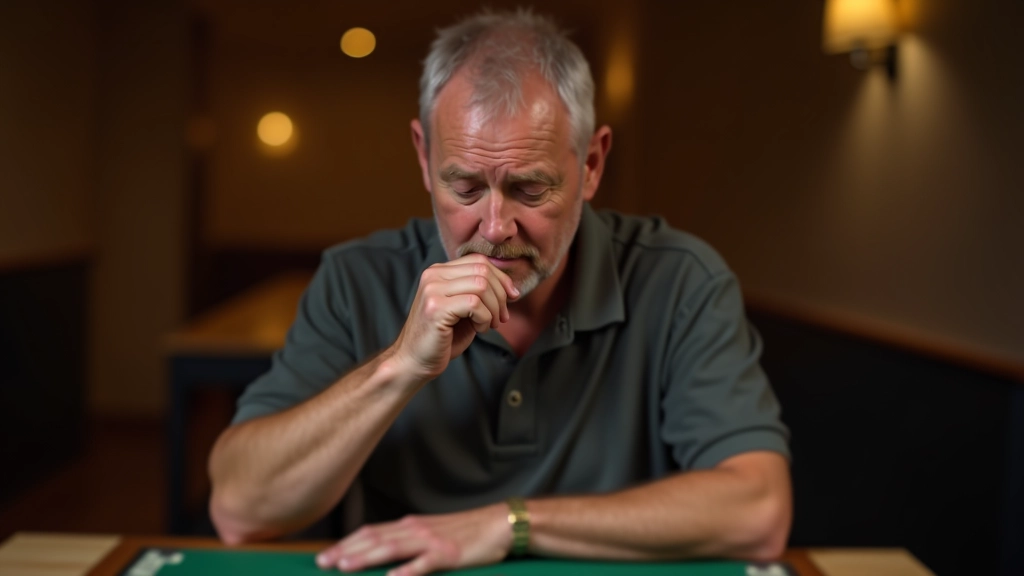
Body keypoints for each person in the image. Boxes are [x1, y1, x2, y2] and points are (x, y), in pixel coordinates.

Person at [208, 9, 792, 576]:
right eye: (464, 187)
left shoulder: (681, 279)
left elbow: (758, 511)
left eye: (529, 189)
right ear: (423, 155)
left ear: (591, 165)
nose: (493, 229)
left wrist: (509, 524)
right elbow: (239, 510)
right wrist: (399, 367)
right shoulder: (356, 279)